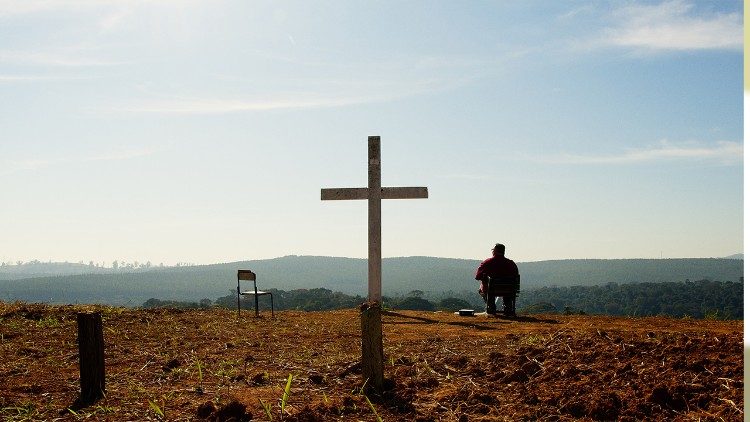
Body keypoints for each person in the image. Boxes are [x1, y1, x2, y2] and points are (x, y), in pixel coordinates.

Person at [475, 243, 519, 315]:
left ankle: (491, 307)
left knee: (482, 288)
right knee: (507, 289)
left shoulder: (487, 263)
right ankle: (507, 308)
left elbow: (477, 276)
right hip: (509, 290)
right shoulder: (511, 264)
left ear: (494, 251)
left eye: (493, 250)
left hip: (491, 290)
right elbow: (516, 276)